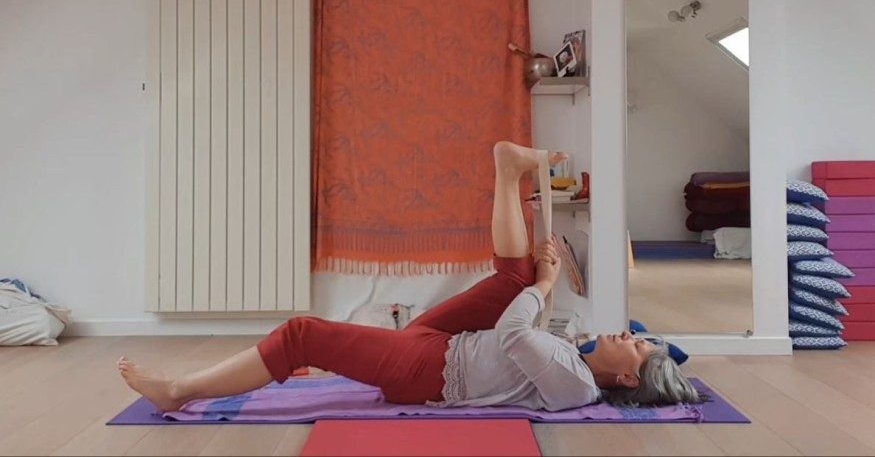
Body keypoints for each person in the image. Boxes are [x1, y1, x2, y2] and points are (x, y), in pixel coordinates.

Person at [118, 141, 701, 412]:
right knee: (513, 278)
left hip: (424, 371)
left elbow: (515, 334)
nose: (628, 334)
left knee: (301, 333)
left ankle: (179, 391)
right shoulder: (577, 364)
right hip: (442, 347)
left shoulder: (575, 384)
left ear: (628, 378)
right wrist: (534, 281)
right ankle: (507, 171)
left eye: (637, 345)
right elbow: (522, 332)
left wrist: (545, 285)